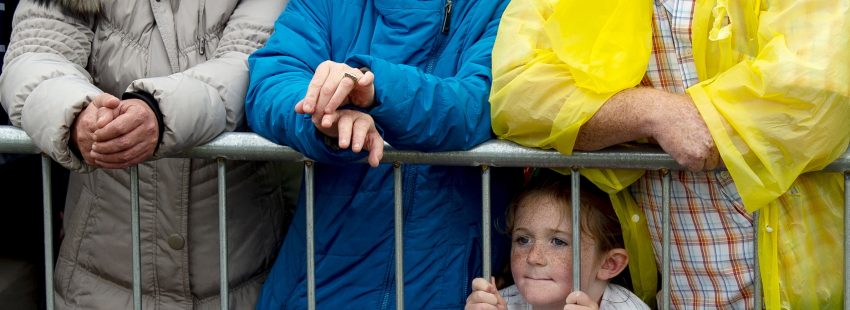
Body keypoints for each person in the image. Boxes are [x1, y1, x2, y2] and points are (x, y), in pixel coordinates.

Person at [489, 0, 850, 309]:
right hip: (672, 288)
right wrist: (650, 112)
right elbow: (516, 92)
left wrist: (693, 120)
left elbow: (819, 86)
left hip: (802, 281)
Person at [0, 0, 299, 309]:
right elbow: (38, 53)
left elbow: (248, 62)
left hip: (238, 276)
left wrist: (159, 111)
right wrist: (77, 113)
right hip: (99, 274)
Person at [244, 0, 522, 308]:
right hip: (317, 287)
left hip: (456, 290)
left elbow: (482, 101)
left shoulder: (506, 6)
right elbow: (273, 79)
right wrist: (325, 113)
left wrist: (372, 88)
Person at [466, 172, 649, 310]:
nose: (533, 257)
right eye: (523, 239)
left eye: (558, 242)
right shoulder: (502, 303)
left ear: (610, 264)